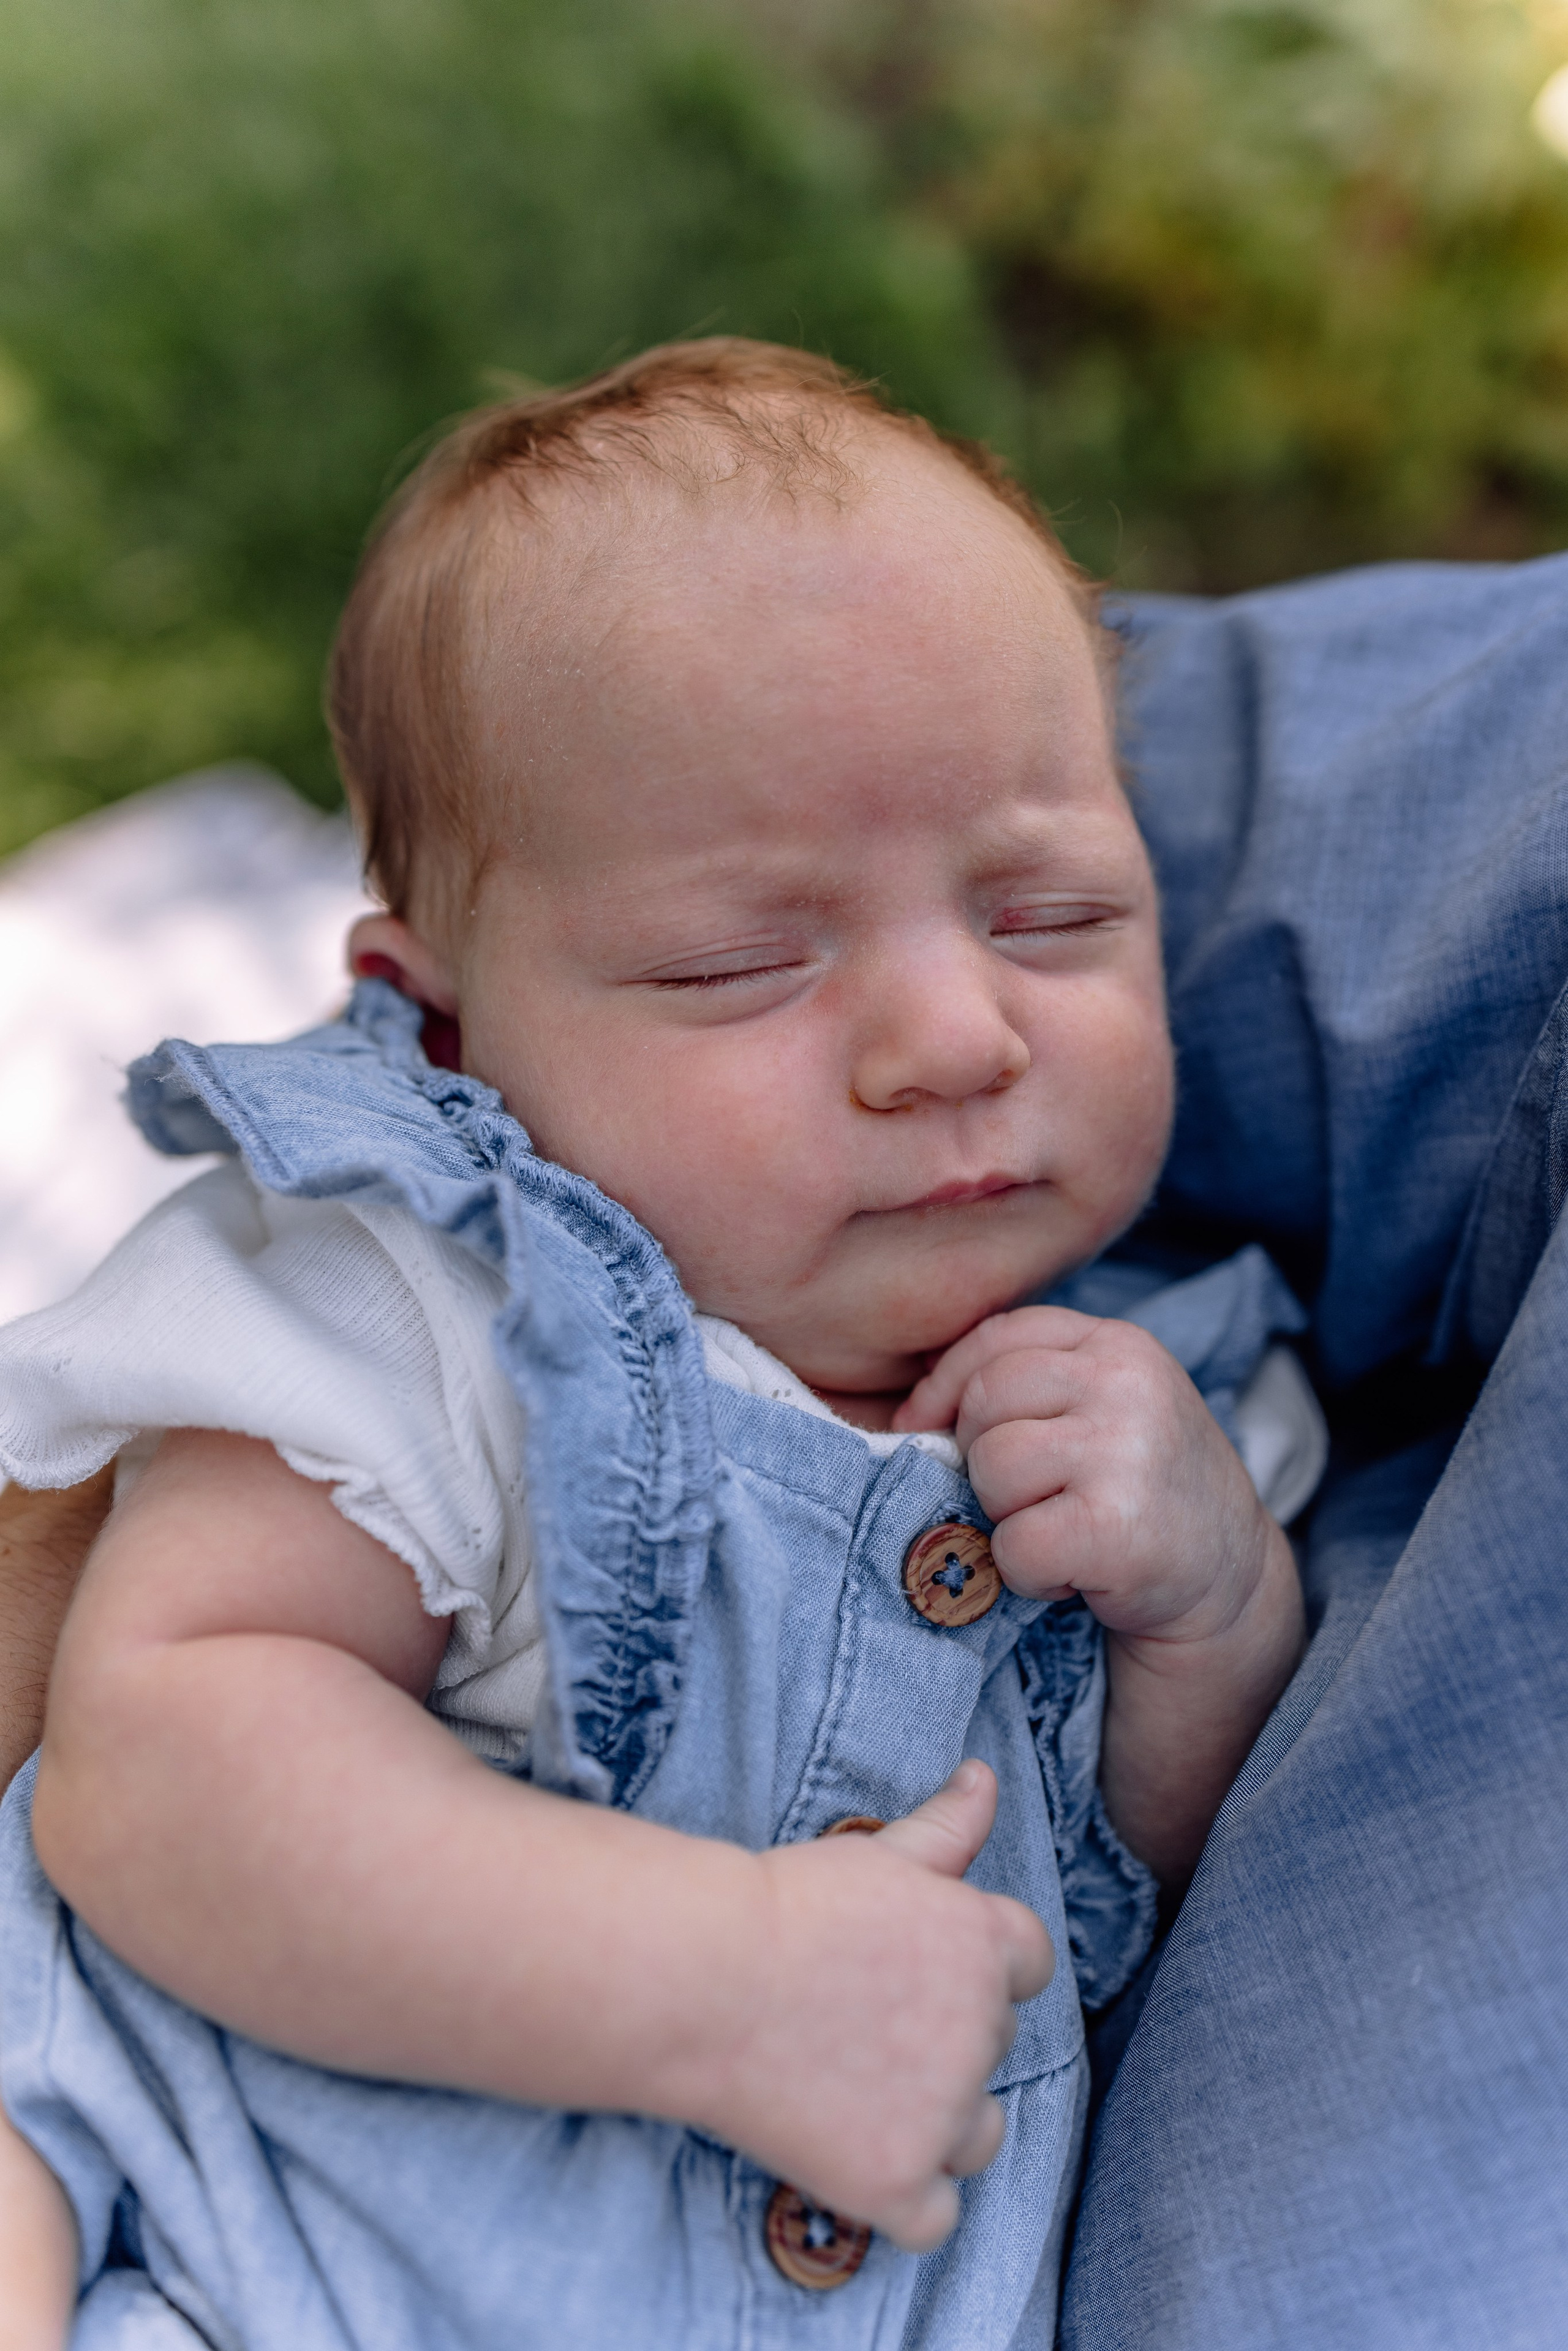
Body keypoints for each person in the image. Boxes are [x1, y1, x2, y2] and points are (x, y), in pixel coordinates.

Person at [0, 341, 1323, 2350]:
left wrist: (1217, 1619)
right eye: (743, 964)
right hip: (216, 2260)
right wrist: (719, 1985)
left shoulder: (1174, 1399)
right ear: (455, 1035)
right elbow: (164, 1767)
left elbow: (1153, 1902)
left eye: (1051, 916)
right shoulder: (432, 1301)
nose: (954, 1039)